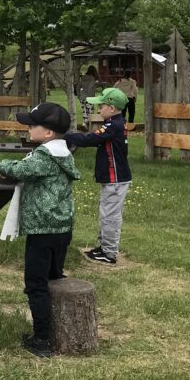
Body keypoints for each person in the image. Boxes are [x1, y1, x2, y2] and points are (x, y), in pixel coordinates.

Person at [0, 102, 80, 358]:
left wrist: (3, 163)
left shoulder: (45, 157)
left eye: (33, 125)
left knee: (36, 284)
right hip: (62, 227)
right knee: (54, 277)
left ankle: (42, 339)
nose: (28, 128)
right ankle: (58, 328)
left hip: (43, 230)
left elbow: (18, 169)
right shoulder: (64, 152)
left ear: (48, 133)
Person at [64, 87, 130, 266]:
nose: (98, 110)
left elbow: (90, 140)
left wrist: (67, 135)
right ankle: (103, 248)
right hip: (113, 179)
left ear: (112, 108)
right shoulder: (116, 123)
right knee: (106, 214)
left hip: (115, 179)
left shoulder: (112, 126)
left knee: (110, 216)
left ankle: (109, 254)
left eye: (101, 106)